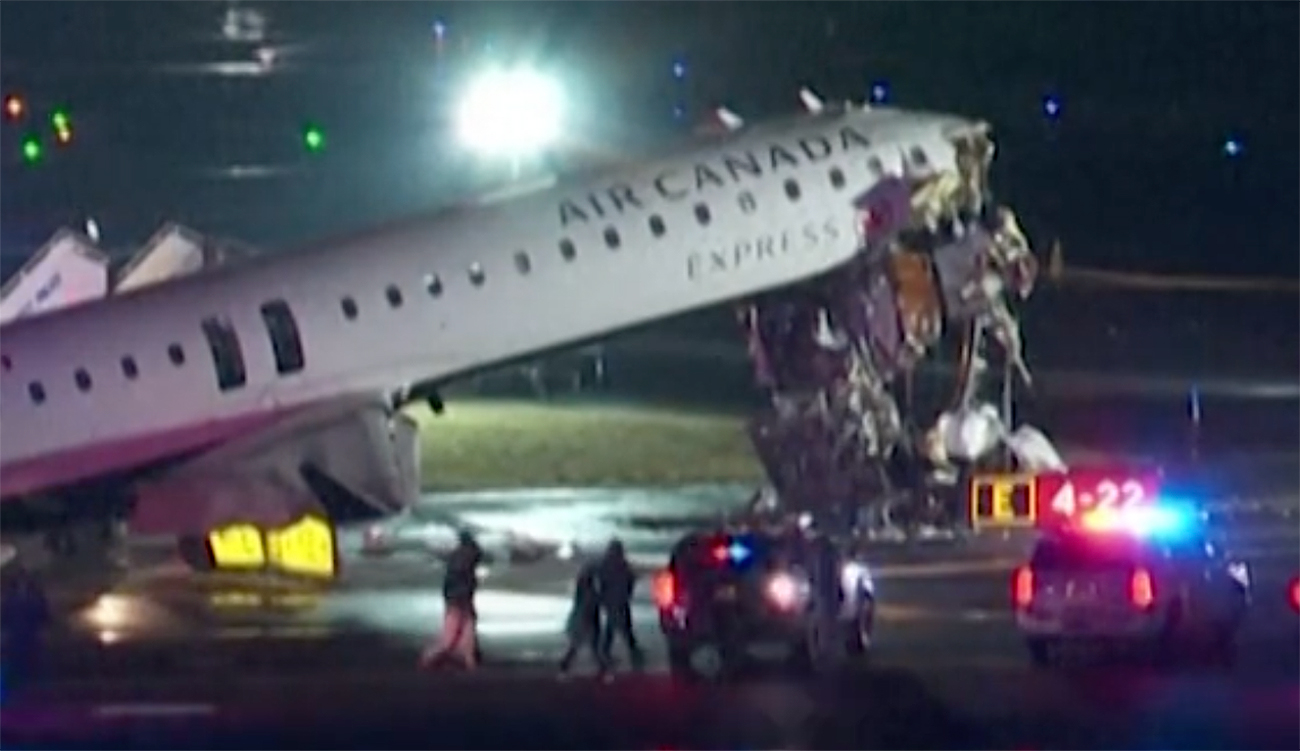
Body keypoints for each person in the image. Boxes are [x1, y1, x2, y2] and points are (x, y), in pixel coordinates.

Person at [420, 530, 486, 670]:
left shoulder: (457, 557)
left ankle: (437, 656)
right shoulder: (471, 555)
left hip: (455, 596)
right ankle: (464, 656)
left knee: (454, 626)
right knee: (466, 624)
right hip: (464, 595)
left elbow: (453, 578)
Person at [1, 560, 51, 690]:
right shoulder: (10, 596)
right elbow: (5, 614)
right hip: (15, 633)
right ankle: (16, 683)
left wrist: (43, 630)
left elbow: (43, 613)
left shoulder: (36, 595)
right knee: (15, 659)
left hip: (31, 633)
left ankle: (33, 684)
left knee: (32, 659)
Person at [596, 538, 645, 672]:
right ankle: (634, 654)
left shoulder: (606, 564)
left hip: (611, 601)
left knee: (613, 628)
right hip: (620, 601)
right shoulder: (622, 565)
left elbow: (600, 581)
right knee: (623, 629)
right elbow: (631, 579)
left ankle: (606, 654)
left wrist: (602, 597)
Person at [557, 557, 607, 679]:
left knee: (578, 646)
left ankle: (565, 666)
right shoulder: (590, 592)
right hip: (586, 621)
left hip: (581, 620)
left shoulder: (583, 591)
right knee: (589, 646)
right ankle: (602, 669)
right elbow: (592, 605)